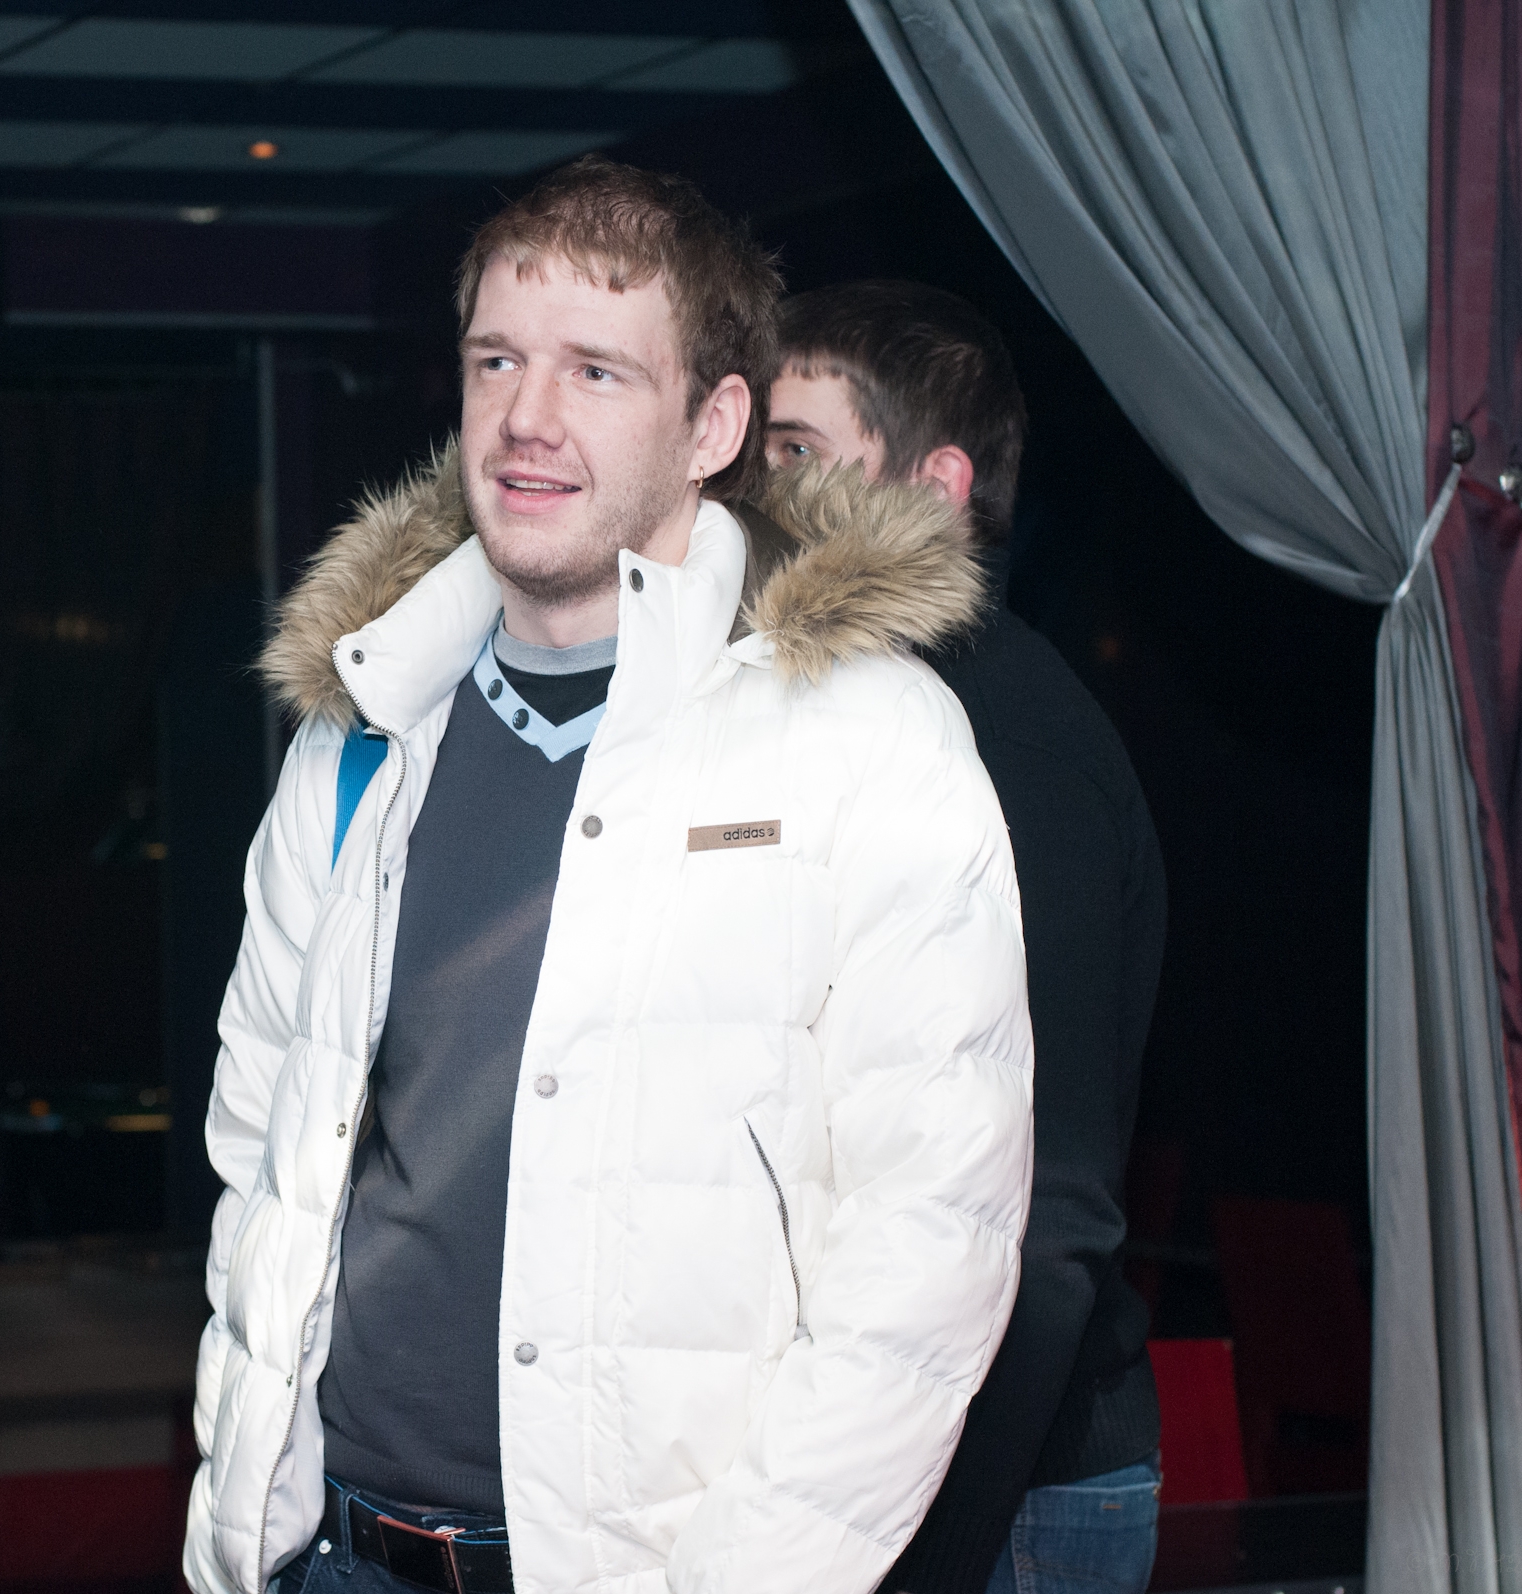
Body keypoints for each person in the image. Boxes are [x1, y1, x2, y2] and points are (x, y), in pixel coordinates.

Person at [183, 156, 1035, 1594]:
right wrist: (240, 1517)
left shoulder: (867, 741)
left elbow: (929, 1249)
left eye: (595, 371)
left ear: (714, 426)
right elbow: (259, 1152)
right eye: (497, 360)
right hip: (336, 1556)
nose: (527, 416)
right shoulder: (363, 731)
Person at [767, 280, 1167, 1594]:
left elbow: (1050, 1217)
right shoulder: (846, 710)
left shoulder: (1015, 741)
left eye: (797, 450)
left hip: (1009, 1500)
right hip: (870, 1478)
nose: (750, 488)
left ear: (936, 484)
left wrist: (923, 1554)